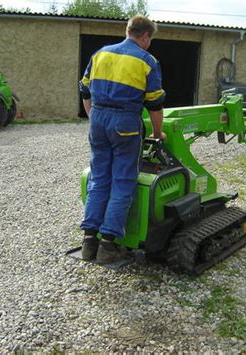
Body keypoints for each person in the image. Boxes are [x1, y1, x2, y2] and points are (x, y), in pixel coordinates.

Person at [78, 15, 166, 264]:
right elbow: (155, 104)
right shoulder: (147, 61)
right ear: (146, 36)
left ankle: (89, 242)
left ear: (127, 30)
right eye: (151, 39)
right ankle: (108, 245)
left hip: (98, 121)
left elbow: (85, 90)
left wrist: (95, 117)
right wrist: (157, 132)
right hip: (125, 125)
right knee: (122, 183)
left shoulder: (100, 54)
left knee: (98, 179)